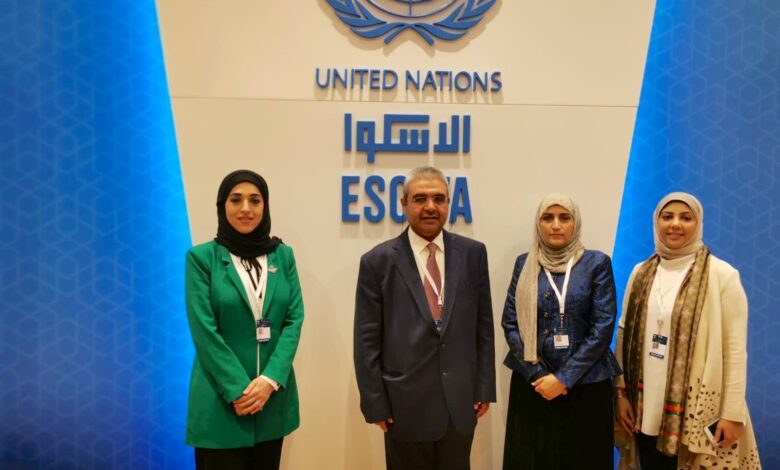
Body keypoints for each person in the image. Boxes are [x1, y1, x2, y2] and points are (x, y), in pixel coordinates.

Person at [354, 166, 495, 470]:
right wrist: (375, 403)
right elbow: (366, 342)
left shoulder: (473, 254)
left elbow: (483, 328)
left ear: (448, 203)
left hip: (459, 403)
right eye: (420, 199)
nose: (430, 206)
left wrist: (484, 388)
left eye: (438, 199)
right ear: (404, 204)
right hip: (403, 407)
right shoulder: (377, 262)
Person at [614, 192, 761, 469]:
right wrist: (620, 393)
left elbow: (734, 349)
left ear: (699, 223)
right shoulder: (641, 272)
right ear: (656, 222)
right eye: (667, 217)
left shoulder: (721, 275)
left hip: (693, 408)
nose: (675, 224)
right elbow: (623, 334)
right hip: (643, 403)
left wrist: (732, 413)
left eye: (686, 218)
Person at [184, 170, 304, 470]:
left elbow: (294, 320)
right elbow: (204, 331)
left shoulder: (283, 256)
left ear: (265, 206)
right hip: (221, 404)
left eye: (255, 200)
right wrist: (239, 391)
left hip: (271, 404)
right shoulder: (202, 259)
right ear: (222, 206)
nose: (246, 208)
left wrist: (270, 380)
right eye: (236, 200)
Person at [501, 193, 621, 469]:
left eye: (564, 218)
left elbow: (603, 325)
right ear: (538, 223)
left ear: (575, 223)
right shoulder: (524, 263)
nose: (556, 225)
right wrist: (538, 375)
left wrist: (564, 379)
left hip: (586, 386)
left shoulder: (596, 263)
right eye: (548, 218)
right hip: (534, 385)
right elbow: (510, 322)